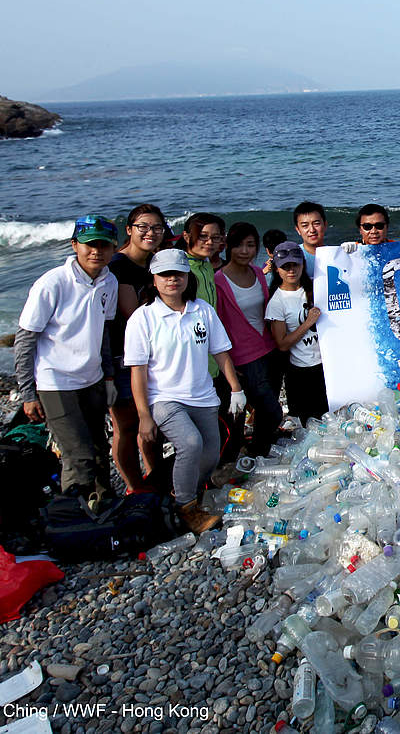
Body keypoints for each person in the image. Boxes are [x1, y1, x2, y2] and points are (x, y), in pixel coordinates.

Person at [125, 249, 246, 533]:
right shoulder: (142, 319)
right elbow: (138, 372)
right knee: (190, 443)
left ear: (186, 277)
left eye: (177, 274)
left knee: (211, 454)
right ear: (154, 279)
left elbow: (221, 353)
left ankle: (186, 491)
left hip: (203, 396)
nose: (172, 280)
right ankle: (186, 507)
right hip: (164, 398)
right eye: (165, 275)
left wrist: (236, 389)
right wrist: (144, 415)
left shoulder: (202, 310)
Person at [15, 215, 119, 506]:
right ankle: (71, 514)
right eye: (89, 245)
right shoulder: (53, 283)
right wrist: (27, 392)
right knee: (79, 454)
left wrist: (108, 377)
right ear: (75, 245)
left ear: (113, 248)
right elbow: (25, 339)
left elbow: (104, 334)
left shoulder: (109, 281)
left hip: (93, 379)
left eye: (103, 245)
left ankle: (104, 504)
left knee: (99, 449)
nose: (96, 251)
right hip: (56, 381)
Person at [108, 204, 167, 493]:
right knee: (127, 425)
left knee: (149, 421)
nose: (150, 233)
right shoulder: (118, 266)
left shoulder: (153, 263)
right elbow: (134, 315)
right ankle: (134, 487)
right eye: (143, 227)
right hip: (120, 356)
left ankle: (154, 475)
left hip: (150, 354)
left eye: (157, 227)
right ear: (129, 230)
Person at [215, 223, 285, 458]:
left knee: (267, 407)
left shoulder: (258, 273)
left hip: (270, 347)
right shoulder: (219, 280)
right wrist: (229, 366)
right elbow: (220, 325)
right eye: (238, 245)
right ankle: (255, 449)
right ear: (228, 247)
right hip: (244, 356)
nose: (244, 251)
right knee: (272, 411)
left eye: (250, 245)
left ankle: (259, 450)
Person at [265, 242, 328, 425]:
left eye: (295, 265)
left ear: (303, 265)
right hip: (302, 371)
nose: (291, 270)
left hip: (326, 365)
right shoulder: (277, 302)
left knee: (330, 416)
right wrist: (308, 323)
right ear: (277, 269)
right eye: (285, 266)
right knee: (308, 422)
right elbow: (282, 344)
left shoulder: (316, 287)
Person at [293, 201, 328, 277]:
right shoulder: (292, 257)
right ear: (298, 230)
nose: (312, 230)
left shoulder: (334, 254)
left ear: (325, 225)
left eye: (316, 224)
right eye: (305, 225)